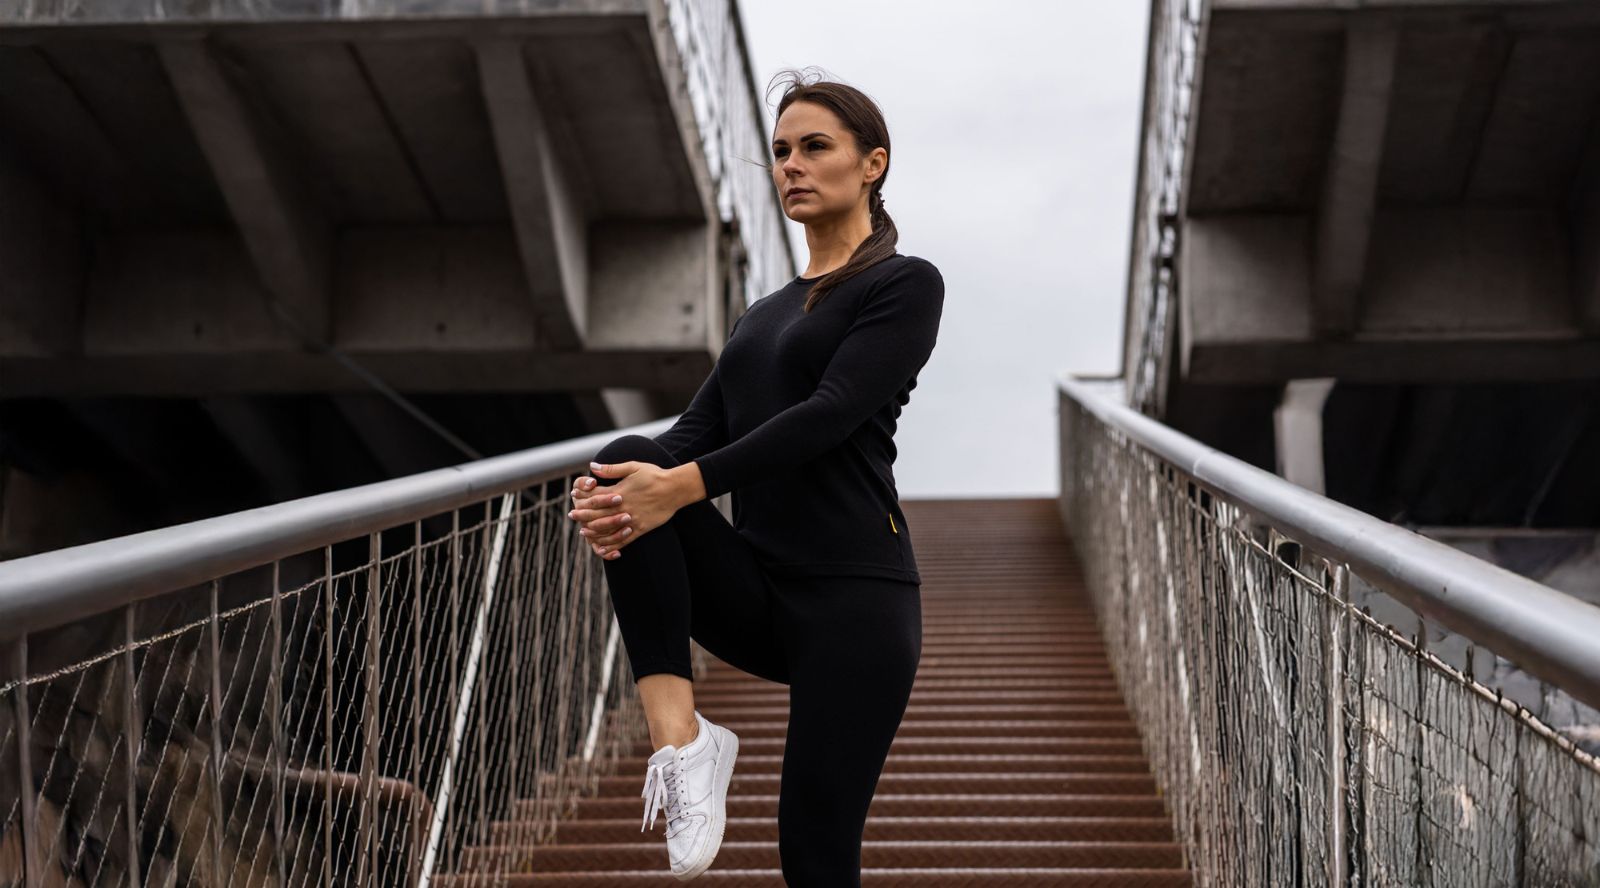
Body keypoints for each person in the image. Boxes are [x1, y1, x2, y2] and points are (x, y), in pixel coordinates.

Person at [564, 68, 945, 885]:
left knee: (813, 846)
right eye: (780, 153)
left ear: (872, 163)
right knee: (628, 458)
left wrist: (678, 487)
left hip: (857, 602)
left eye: (815, 147)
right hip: (759, 590)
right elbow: (693, 435)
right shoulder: (761, 315)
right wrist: (609, 485)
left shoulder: (902, 285)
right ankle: (684, 743)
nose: (791, 167)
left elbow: (830, 413)